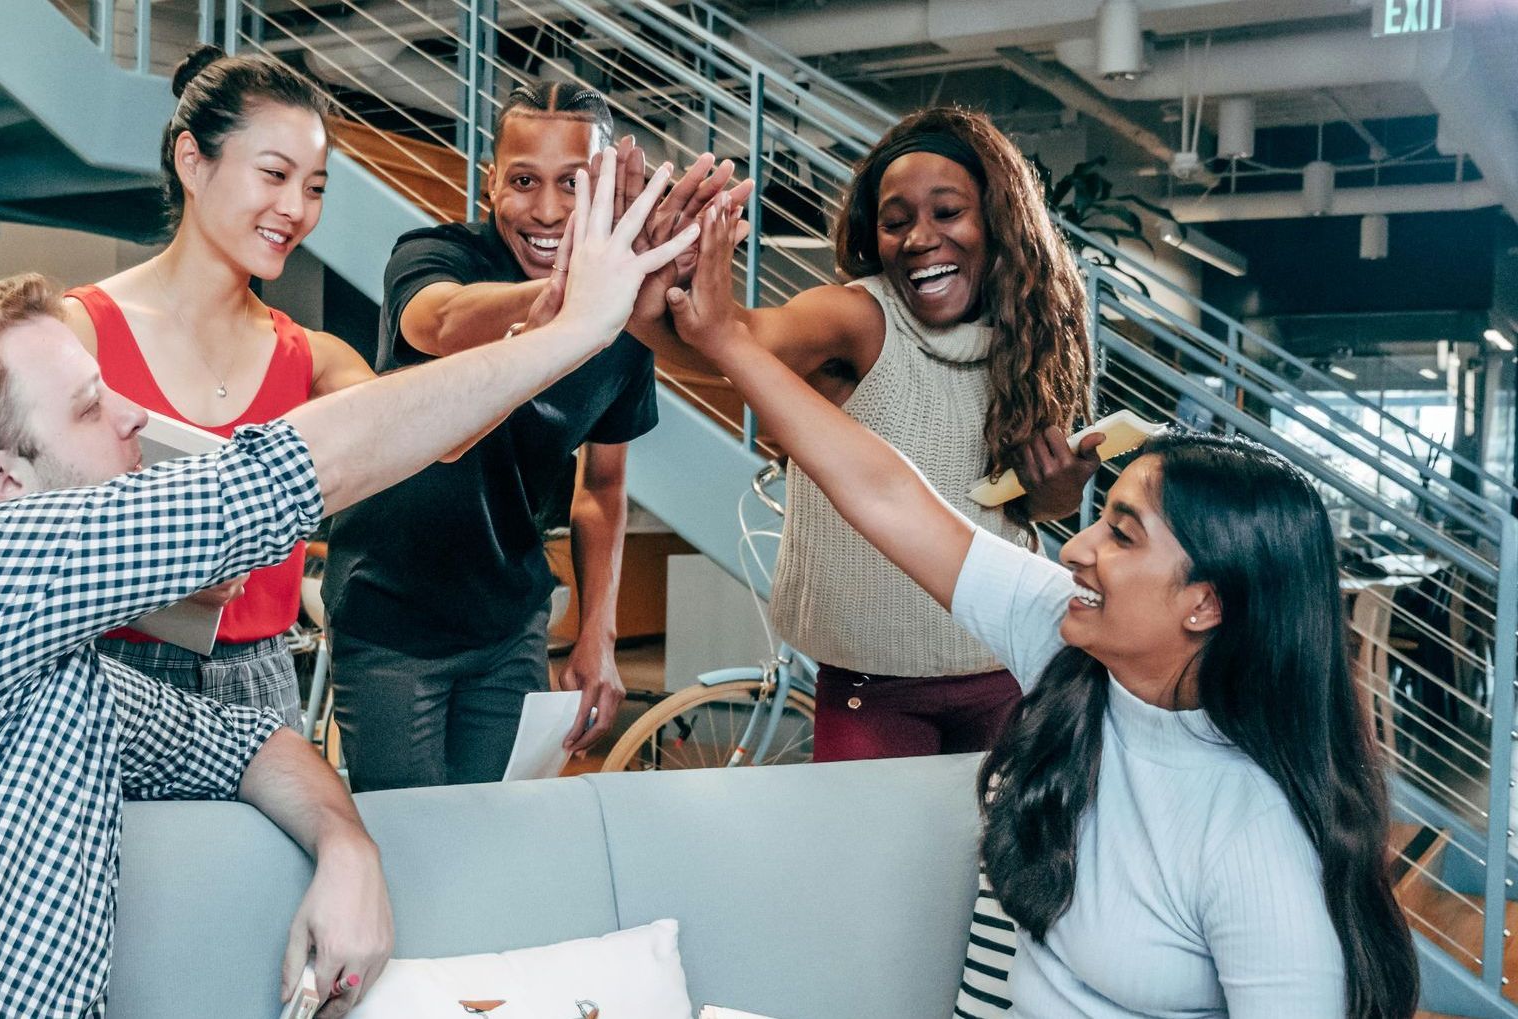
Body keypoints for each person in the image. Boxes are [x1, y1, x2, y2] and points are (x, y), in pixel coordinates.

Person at [0, 150, 698, 1018]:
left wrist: (348, 844)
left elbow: (246, 740)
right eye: (86, 406)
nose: (127, 417)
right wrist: (572, 331)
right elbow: (286, 475)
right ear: (0, 480)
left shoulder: (43, 670)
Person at [665, 195, 1418, 1017]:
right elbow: (887, 495)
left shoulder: (1255, 839)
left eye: (1122, 536)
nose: (1074, 548)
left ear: (1205, 604)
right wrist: (726, 339)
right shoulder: (1068, 647)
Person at [631, 107, 1098, 762]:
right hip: (872, 686)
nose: (919, 238)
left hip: (1006, 668)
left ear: (997, 222)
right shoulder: (855, 316)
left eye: (947, 212)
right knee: (865, 863)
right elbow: (735, 343)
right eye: (896, 220)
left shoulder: (1029, 338)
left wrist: (1059, 493)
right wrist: (658, 282)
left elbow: (1021, 511)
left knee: (994, 864)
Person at [319, 82, 741, 791]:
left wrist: (598, 635)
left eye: (574, 185)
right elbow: (442, 321)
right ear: (491, 184)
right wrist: (574, 301)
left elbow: (602, 488)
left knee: (493, 837)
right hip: (391, 616)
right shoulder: (434, 255)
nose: (546, 211)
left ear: (609, 187)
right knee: (408, 843)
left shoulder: (623, 323)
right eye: (523, 181)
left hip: (509, 624)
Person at [62, 48, 376, 727]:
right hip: (109, 678)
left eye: (315, 187)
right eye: (274, 174)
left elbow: (421, 436)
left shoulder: (312, 358)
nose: (294, 209)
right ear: (192, 161)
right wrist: (164, 570)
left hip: (265, 681)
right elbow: (13, 533)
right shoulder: (76, 333)